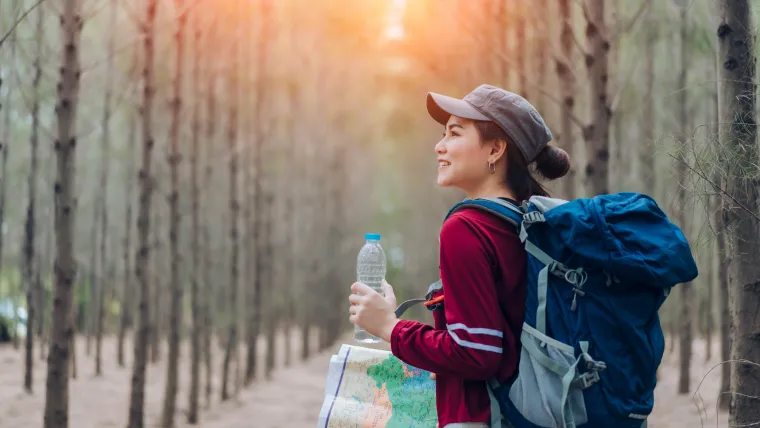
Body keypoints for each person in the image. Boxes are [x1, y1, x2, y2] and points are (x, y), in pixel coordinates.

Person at [348, 84, 570, 428]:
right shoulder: (526, 224)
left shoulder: (467, 227)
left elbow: (476, 353)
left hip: (484, 417)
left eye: (454, 133)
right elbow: (499, 343)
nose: (439, 146)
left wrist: (389, 327)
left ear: (495, 149)